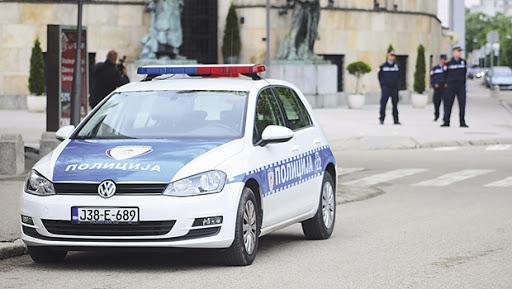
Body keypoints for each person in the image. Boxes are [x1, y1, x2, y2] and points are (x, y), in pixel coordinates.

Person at [441, 46, 468, 128]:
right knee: (448, 104)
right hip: (451, 86)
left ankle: (462, 122)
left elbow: (464, 74)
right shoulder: (448, 63)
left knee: (462, 104)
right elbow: (444, 75)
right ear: (453, 53)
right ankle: (446, 121)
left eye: (460, 52)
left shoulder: (463, 62)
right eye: (457, 51)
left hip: (460, 87)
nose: (459, 53)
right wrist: (446, 84)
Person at [378, 51, 401, 125]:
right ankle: (382, 118)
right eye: (390, 55)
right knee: (383, 104)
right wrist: (383, 85)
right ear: (387, 56)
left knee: (395, 104)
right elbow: (380, 76)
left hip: (394, 88)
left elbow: (400, 77)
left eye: (393, 56)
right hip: (386, 88)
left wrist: (398, 85)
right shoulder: (383, 66)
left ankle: (396, 120)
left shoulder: (397, 66)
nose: (392, 57)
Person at [430, 54, 448, 121]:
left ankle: (445, 117)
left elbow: (449, 77)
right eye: (442, 59)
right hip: (437, 88)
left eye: (444, 59)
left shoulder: (446, 68)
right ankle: (436, 115)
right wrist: (434, 84)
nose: (443, 60)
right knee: (436, 103)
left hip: (444, 88)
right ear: (440, 60)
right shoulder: (435, 68)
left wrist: (447, 83)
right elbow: (432, 77)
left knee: (446, 103)